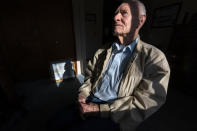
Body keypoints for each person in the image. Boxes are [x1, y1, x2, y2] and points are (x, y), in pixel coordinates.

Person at [77, 0, 170, 131]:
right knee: (55, 123)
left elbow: (148, 100)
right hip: (90, 99)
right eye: (115, 14)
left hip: (116, 112)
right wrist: (83, 95)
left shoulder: (154, 57)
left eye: (124, 13)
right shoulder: (102, 51)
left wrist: (98, 109)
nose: (115, 17)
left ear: (140, 21)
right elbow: (89, 76)